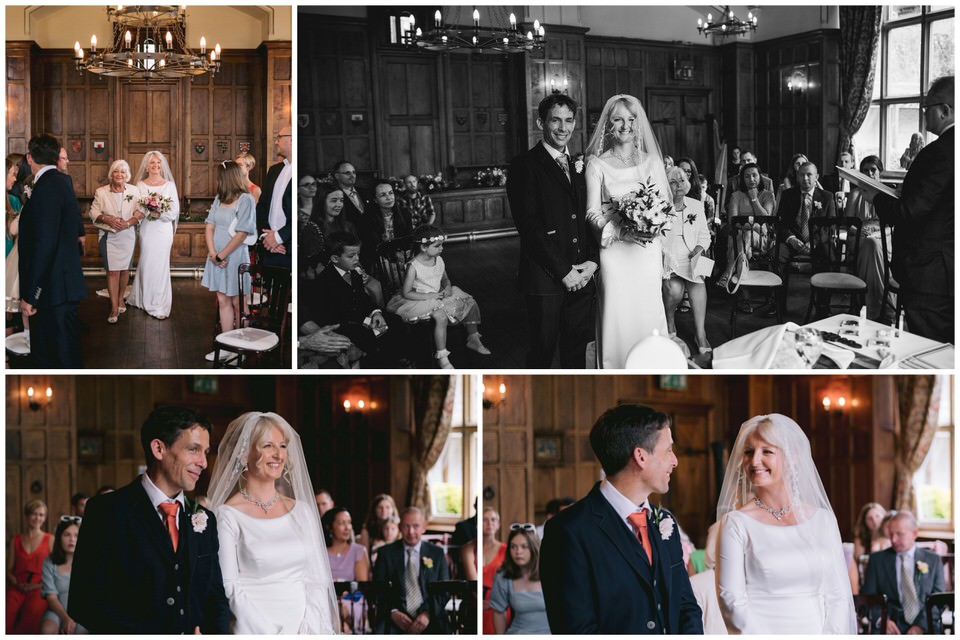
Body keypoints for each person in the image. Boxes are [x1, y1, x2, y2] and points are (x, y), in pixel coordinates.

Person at [540, 404, 703, 633]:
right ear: (641, 457)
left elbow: (686, 606)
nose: (675, 461)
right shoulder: (568, 531)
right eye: (668, 450)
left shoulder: (666, 523)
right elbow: (576, 630)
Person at [69, 406, 230, 633]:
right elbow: (83, 603)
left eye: (206, 451)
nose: (204, 462)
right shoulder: (106, 511)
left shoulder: (205, 519)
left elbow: (216, 599)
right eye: (194, 449)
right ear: (158, 449)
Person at [715, 413, 856, 633]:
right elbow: (731, 601)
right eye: (749, 452)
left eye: (767, 451)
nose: (754, 461)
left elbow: (838, 594)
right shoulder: (736, 524)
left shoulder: (823, 521)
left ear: (792, 457)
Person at [206, 411, 339, 634]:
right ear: (243, 454)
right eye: (268, 445)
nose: (278, 454)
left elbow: (317, 578)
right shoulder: (228, 515)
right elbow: (229, 586)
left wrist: (310, 627)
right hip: (254, 628)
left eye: (283, 446)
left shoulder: (302, 512)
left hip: (306, 627)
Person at [507, 94, 598, 368]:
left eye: (569, 120)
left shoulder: (582, 165)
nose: (563, 127)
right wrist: (563, 272)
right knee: (542, 353)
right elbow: (529, 226)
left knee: (576, 354)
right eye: (555, 120)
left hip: (583, 278)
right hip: (545, 279)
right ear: (541, 122)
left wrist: (593, 262)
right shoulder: (525, 166)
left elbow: (590, 217)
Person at [861, 76, 954, 342]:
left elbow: (910, 212)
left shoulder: (940, 152)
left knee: (929, 348)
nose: (924, 113)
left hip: (931, 272)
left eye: (928, 107)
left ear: (945, 110)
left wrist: (875, 198)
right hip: (947, 267)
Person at [584, 94, 671, 369]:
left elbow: (665, 206)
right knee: (616, 315)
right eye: (619, 119)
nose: (626, 125)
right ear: (608, 124)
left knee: (648, 311)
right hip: (615, 252)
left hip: (646, 252)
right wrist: (621, 233)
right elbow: (592, 213)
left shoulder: (652, 163)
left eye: (631, 119)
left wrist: (652, 225)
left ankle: (653, 367)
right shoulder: (596, 165)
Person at [18, 134, 86, 367]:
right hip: (60, 285)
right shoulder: (60, 182)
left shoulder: (47, 187)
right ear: (57, 157)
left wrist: (30, 294)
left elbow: (44, 245)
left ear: (29, 157)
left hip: (51, 290)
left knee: (58, 357)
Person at [386, 224, 490, 368]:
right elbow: (406, 293)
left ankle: (473, 338)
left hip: (439, 295)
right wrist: (432, 296)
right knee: (440, 316)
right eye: (437, 246)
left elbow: (445, 279)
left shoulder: (439, 260)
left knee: (468, 300)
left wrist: (447, 287)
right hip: (419, 300)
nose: (442, 248)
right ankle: (442, 356)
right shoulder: (413, 266)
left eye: (442, 245)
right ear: (423, 247)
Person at [305, 231, 402, 367]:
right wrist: (367, 322)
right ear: (335, 258)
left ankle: (396, 360)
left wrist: (375, 313)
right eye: (351, 256)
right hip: (343, 326)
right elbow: (333, 316)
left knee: (395, 321)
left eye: (358, 254)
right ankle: (383, 364)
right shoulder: (325, 282)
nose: (357, 259)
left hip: (362, 319)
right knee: (376, 335)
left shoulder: (355, 273)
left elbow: (363, 299)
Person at [200, 161, 256, 361]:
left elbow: (242, 233)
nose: (217, 180)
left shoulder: (246, 199)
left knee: (239, 302)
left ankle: (241, 348)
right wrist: (213, 253)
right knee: (223, 301)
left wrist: (221, 255)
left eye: (219, 177)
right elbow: (209, 226)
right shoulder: (219, 198)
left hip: (234, 257)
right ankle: (227, 347)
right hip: (216, 257)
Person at [862, 510, 946, 634]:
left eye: (899, 534)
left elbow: (939, 599)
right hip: (890, 628)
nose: (894, 540)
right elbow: (868, 598)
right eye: (891, 534)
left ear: (914, 533)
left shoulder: (933, 560)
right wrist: (882, 620)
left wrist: (921, 626)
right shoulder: (876, 560)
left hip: (926, 627)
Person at [373, 507, 450, 634]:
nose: (411, 532)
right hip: (395, 618)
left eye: (416, 526)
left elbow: (444, 591)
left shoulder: (437, 553)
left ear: (424, 527)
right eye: (406, 526)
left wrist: (428, 613)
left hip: (430, 618)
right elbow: (378, 589)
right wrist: (393, 612)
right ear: (399, 527)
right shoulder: (385, 553)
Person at [662, 166, 712, 354]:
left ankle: (700, 333)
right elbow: (656, 238)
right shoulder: (660, 206)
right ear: (666, 186)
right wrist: (665, 256)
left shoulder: (696, 205)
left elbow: (705, 236)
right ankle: (669, 322)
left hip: (692, 255)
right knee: (674, 289)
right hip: (670, 257)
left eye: (681, 180)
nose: (678, 185)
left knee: (698, 282)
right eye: (673, 182)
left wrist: (699, 250)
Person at [127, 150, 179, 321]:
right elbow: (137, 208)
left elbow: (174, 212)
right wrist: (140, 211)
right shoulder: (140, 186)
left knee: (160, 265)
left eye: (158, 163)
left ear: (162, 165)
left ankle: (157, 304)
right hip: (147, 229)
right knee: (146, 262)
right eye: (152, 163)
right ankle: (142, 298)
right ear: (147, 166)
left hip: (163, 230)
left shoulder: (169, 185)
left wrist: (159, 214)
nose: (156, 165)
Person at [89, 159, 139, 324]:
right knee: (112, 271)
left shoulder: (134, 190)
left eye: (123, 172)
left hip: (128, 235)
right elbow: (93, 212)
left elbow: (141, 212)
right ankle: (113, 307)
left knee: (125, 270)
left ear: (127, 176)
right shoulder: (101, 192)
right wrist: (107, 219)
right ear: (112, 174)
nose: (119, 175)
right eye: (116, 171)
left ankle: (120, 299)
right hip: (109, 236)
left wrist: (128, 222)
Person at [843, 156, 893, 319]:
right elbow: (847, 224)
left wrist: (878, 234)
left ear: (880, 173)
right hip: (859, 236)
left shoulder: (888, 193)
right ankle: (882, 307)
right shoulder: (855, 194)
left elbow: (894, 224)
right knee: (869, 243)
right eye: (865, 170)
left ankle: (868, 307)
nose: (869, 173)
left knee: (873, 243)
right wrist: (859, 231)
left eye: (873, 170)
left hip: (885, 235)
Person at [716, 163, 777, 294]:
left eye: (754, 175)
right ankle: (744, 295)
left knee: (744, 235)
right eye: (747, 176)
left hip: (761, 239)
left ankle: (728, 272)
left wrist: (754, 198)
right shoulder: (736, 196)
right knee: (744, 241)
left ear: (760, 177)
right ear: (742, 179)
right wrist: (754, 226)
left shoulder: (768, 195)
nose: (752, 179)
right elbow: (733, 221)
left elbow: (766, 219)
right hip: (741, 236)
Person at [490, 525, 549, 634]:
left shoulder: (550, 573)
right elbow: (498, 612)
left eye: (524, 546)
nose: (518, 552)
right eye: (513, 547)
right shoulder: (503, 575)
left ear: (533, 547)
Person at [6, 499, 54, 633]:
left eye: (41, 515)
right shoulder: (15, 540)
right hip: (17, 587)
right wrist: (16, 583)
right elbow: (9, 569)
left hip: (40, 588)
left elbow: (54, 570)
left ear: (45, 518)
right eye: (34, 514)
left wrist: (38, 586)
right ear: (27, 515)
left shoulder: (50, 539)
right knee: (6, 618)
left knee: (30, 618)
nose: (37, 518)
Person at [322, 506, 371, 634]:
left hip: (352, 599)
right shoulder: (321, 553)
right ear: (329, 527)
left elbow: (362, 585)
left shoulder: (358, 551)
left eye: (349, 523)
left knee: (343, 609)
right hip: (326, 598)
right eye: (341, 523)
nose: (347, 527)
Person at [39, 516, 85, 635]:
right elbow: (51, 597)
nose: (72, 539)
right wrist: (65, 618)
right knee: (47, 629)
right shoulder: (49, 561)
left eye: (76, 535)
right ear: (59, 537)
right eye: (67, 535)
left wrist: (74, 618)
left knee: (81, 632)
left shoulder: (88, 562)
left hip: (82, 611)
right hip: (57, 610)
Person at [256, 127, 292, 268]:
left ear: (291, 139)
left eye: (279, 138)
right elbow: (262, 206)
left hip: (289, 248)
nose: (276, 142)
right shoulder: (274, 170)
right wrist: (266, 237)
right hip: (269, 248)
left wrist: (279, 237)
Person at [5, 153, 25, 330]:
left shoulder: (13, 201)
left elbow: (16, 234)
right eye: (11, 174)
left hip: (10, 256)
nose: (14, 178)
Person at [482, 507, 507, 634]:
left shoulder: (506, 550)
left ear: (498, 525)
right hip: (477, 604)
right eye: (485, 520)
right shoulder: (472, 550)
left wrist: (495, 602)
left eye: (493, 520)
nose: (489, 523)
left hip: (499, 605)